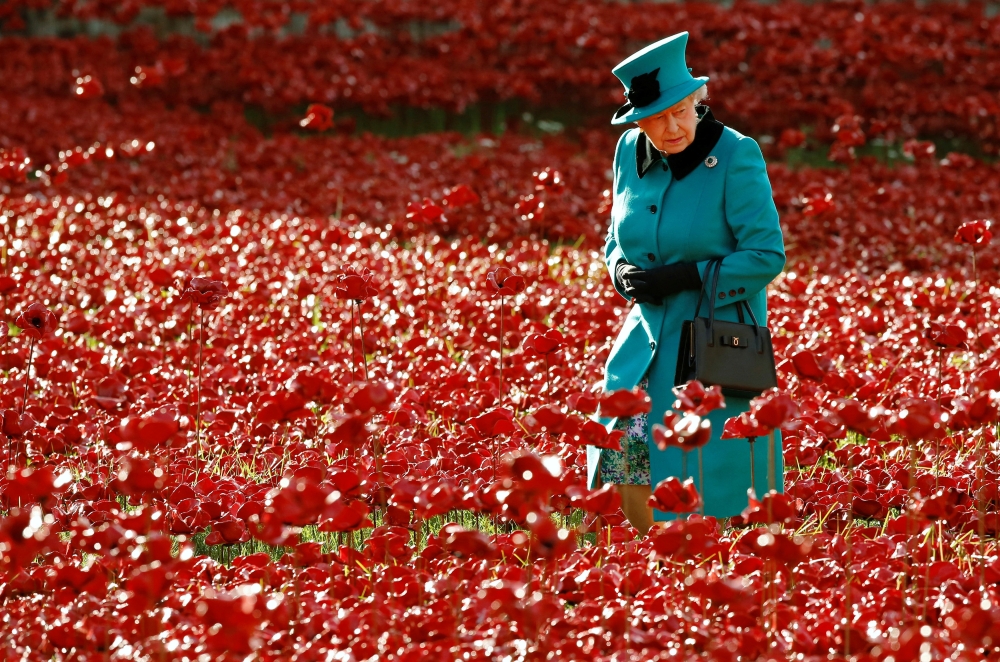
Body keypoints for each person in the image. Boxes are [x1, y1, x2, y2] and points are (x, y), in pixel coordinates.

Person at [586, 31, 787, 535]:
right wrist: (619, 270)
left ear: (700, 102)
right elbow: (615, 236)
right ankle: (640, 559)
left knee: (708, 472)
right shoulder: (628, 151)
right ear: (638, 121)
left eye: (680, 112)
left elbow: (766, 256)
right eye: (655, 119)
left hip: (713, 345)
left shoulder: (736, 156)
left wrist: (689, 276)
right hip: (645, 340)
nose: (671, 127)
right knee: (622, 453)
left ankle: (708, 575)